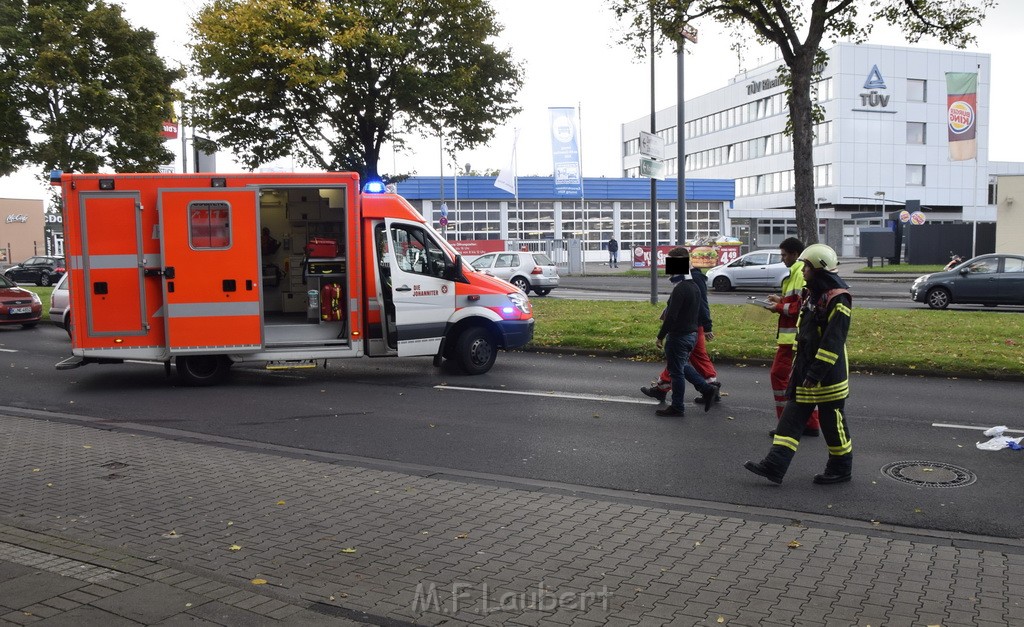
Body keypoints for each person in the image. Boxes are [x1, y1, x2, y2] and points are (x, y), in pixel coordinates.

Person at [744, 243, 853, 485]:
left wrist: (815, 374)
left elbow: (832, 342)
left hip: (827, 376)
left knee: (832, 422)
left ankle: (841, 467)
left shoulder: (839, 300)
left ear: (819, 269)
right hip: (805, 369)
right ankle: (774, 465)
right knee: (791, 417)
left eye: (806, 266)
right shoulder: (813, 293)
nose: (802, 270)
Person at [653, 248, 721, 417]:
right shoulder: (693, 285)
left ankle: (678, 406)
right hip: (691, 334)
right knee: (681, 365)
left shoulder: (681, 288)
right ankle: (706, 389)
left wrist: (660, 336)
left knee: (676, 373)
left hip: (679, 335)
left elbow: (672, 316)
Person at [766, 238, 820, 438]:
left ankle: (786, 425)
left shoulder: (798, 272)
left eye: (784, 255)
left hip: (793, 340)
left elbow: (797, 307)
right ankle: (811, 423)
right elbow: (797, 301)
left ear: (795, 254)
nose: (782, 259)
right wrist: (780, 300)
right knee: (799, 381)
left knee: (778, 376)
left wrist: (778, 307)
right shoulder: (798, 272)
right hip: (798, 339)